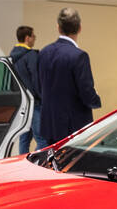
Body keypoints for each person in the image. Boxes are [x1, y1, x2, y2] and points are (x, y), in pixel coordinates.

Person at [38, 8, 101, 144]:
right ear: (80, 28)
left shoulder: (44, 52)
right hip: (73, 127)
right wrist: (96, 100)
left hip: (49, 124)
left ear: (58, 28)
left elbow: (39, 86)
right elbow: (86, 92)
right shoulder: (79, 56)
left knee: (50, 163)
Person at [8, 25, 42, 154]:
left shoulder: (12, 56)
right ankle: (37, 163)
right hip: (35, 102)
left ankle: (23, 164)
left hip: (22, 103)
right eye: (34, 36)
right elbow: (36, 79)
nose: (35, 39)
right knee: (42, 139)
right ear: (28, 38)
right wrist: (41, 97)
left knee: (24, 138)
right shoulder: (31, 55)